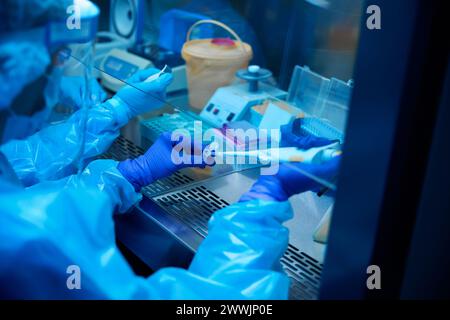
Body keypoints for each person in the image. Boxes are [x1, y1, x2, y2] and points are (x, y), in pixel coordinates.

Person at [0, 0, 339, 299]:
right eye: (56, 59)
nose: (58, 78)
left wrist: (128, 172)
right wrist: (262, 205)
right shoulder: (30, 243)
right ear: (10, 67)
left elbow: (21, 169)